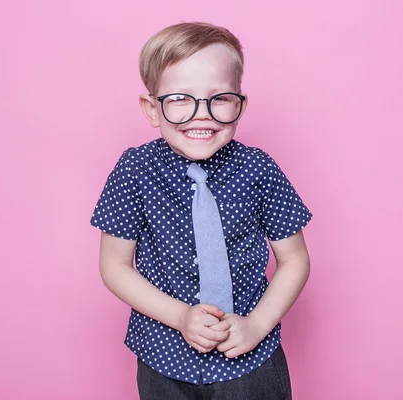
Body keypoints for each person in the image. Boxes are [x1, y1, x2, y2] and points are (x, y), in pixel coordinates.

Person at [90, 22, 312, 400]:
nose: (201, 114)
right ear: (151, 108)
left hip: (250, 358)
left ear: (240, 104)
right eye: (179, 98)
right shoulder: (134, 170)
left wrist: (257, 326)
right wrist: (180, 317)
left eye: (219, 97)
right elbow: (115, 266)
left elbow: (294, 260)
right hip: (164, 355)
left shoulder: (259, 169)